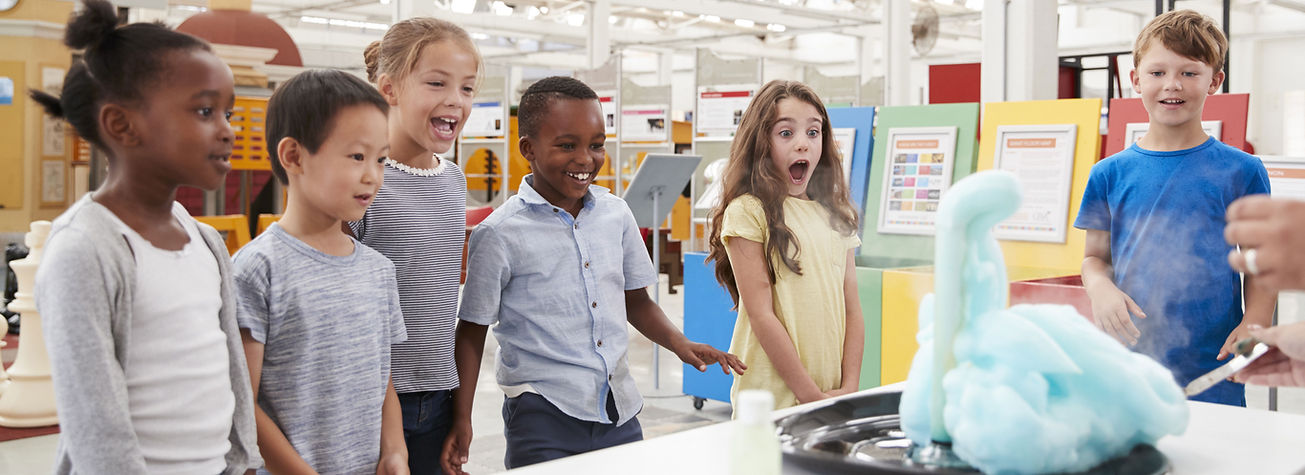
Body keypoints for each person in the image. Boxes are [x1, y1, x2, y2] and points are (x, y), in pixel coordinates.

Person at [441, 76, 746, 474]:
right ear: (528, 149)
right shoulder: (499, 233)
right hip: (541, 414)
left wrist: (680, 344)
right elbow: (471, 329)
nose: (586, 159)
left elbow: (635, 300)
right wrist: (461, 418)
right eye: (567, 145)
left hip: (618, 409)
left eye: (596, 144)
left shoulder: (616, 214)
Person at [31, 0, 259, 472]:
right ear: (122, 125)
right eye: (205, 111)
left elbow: (229, 374)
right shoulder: (85, 249)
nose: (227, 131)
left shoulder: (204, 240)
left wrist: (242, 462)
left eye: (228, 113)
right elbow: (94, 424)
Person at [1074, 9, 1275, 406]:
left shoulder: (1242, 171)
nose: (1172, 84)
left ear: (1214, 81)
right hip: (1129, 359)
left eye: (1189, 72)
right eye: (1157, 72)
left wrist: (1255, 323)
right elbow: (1095, 259)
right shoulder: (1107, 174)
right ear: (1135, 80)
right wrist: (1100, 288)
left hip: (1214, 360)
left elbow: (1261, 262)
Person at [233, 69, 408, 474]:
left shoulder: (378, 270)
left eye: (381, 159)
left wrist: (395, 451)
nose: (373, 176)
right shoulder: (257, 270)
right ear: (294, 156)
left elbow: (381, 379)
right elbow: (241, 402)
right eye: (357, 157)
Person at [353, 18, 479, 474]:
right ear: (389, 89)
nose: (456, 100)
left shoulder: (453, 180)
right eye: (437, 83)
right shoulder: (363, 181)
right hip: (369, 398)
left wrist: (460, 411)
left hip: (438, 395)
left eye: (467, 88)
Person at [705, 80, 865, 411]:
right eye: (786, 133)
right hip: (771, 401)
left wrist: (850, 386)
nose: (803, 144)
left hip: (830, 395)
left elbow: (852, 308)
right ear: (761, 141)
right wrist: (811, 397)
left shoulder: (836, 215)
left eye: (813, 132)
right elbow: (762, 315)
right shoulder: (748, 211)